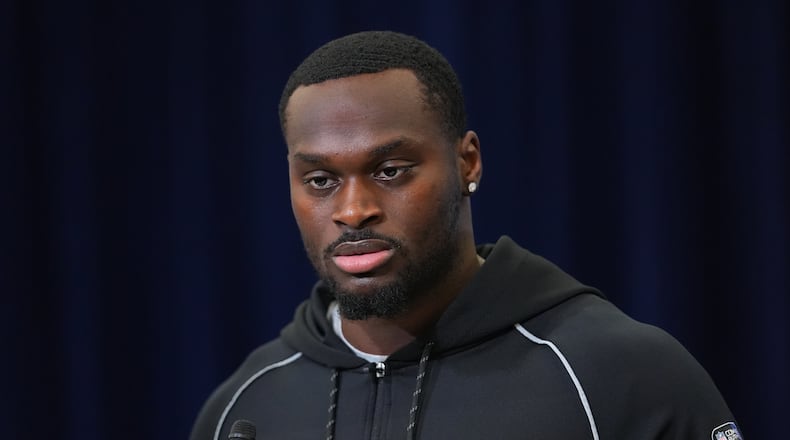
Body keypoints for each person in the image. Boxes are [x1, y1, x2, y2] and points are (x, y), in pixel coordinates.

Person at [190, 31, 742, 440]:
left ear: (468, 162)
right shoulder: (246, 404)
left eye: (391, 171)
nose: (353, 210)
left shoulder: (621, 376)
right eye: (320, 180)